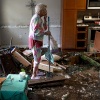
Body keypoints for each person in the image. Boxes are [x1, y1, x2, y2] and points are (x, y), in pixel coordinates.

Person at [28, 3, 51, 79]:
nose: (46, 11)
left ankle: (37, 72)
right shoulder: (36, 18)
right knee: (37, 59)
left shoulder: (39, 18)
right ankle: (34, 75)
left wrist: (45, 19)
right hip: (35, 41)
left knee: (38, 58)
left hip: (38, 40)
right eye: (45, 10)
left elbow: (44, 28)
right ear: (40, 11)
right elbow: (36, 32)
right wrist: (45, 33)